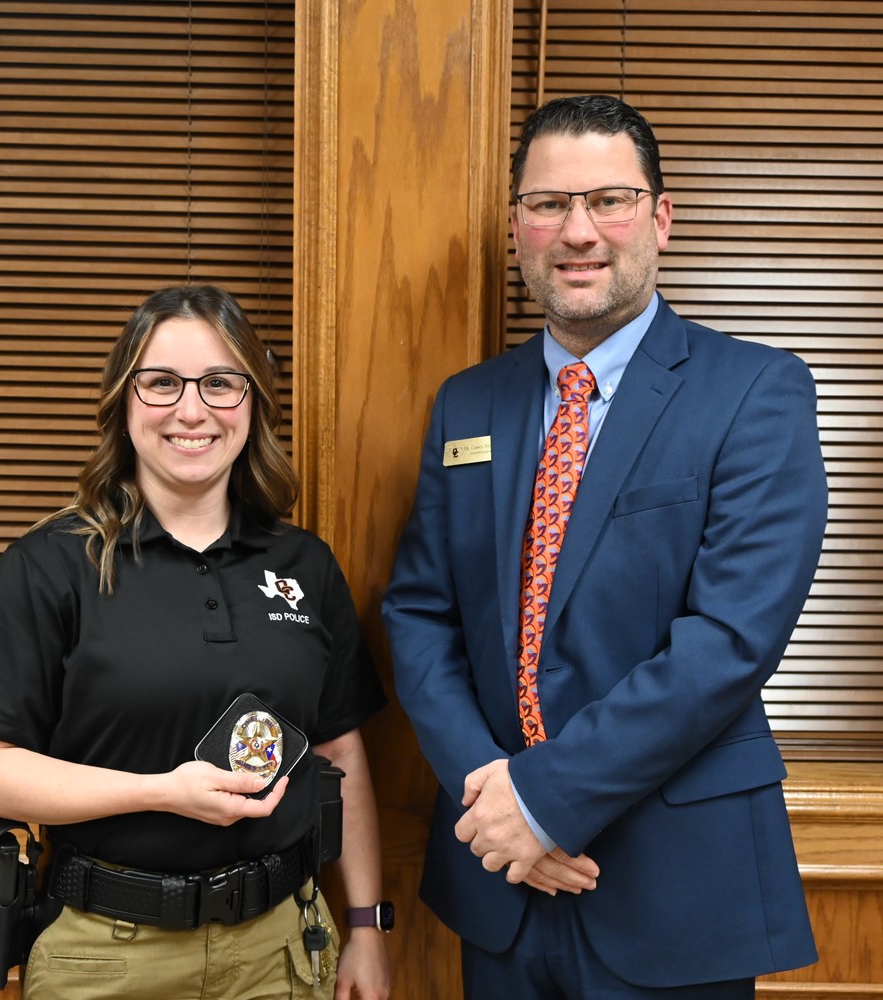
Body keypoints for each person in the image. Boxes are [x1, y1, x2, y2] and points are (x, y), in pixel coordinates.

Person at [382, 94, 827, 999]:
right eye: (549, 204)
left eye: (609, 200)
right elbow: (420, 615)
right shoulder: (468, 404)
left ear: (660, 217)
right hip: (498, 878)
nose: (578, 230)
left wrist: (546, 801)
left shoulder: (757, 392)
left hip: (672, 885)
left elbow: (730, 641)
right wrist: (494, 802)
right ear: (517, 229)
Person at [0, 284, 392, 1000]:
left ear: (253, 403)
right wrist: (162, 793)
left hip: (280, 949)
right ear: (125, 402)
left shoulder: (304, 566)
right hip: (106, 955)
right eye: (161, 383)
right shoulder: (51, 566)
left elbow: (340, 752)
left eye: (220, 383)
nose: (192, 410)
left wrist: (366, 923)